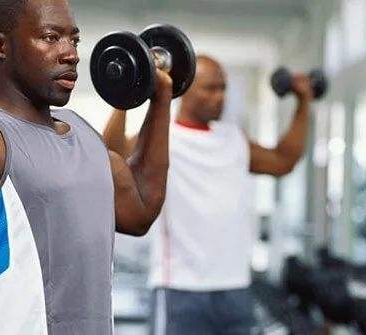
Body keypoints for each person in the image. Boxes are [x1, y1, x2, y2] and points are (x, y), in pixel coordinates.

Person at [0, 0, 173, 334]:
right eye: (50, 37)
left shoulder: (82, 133)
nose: (71, 54)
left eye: (74, 40)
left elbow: (141, 208)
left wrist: (161, 96)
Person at [103, 55, 313, 335]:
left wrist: (304, 102)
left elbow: (283, 160)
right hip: (179, 289)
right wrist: (126, 93)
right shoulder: (161, 138)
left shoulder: (234, 140)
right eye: (211, 88)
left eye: (223, 88)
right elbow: (111, 156)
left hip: (234, 289)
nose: (220, 97)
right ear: (185, 89)